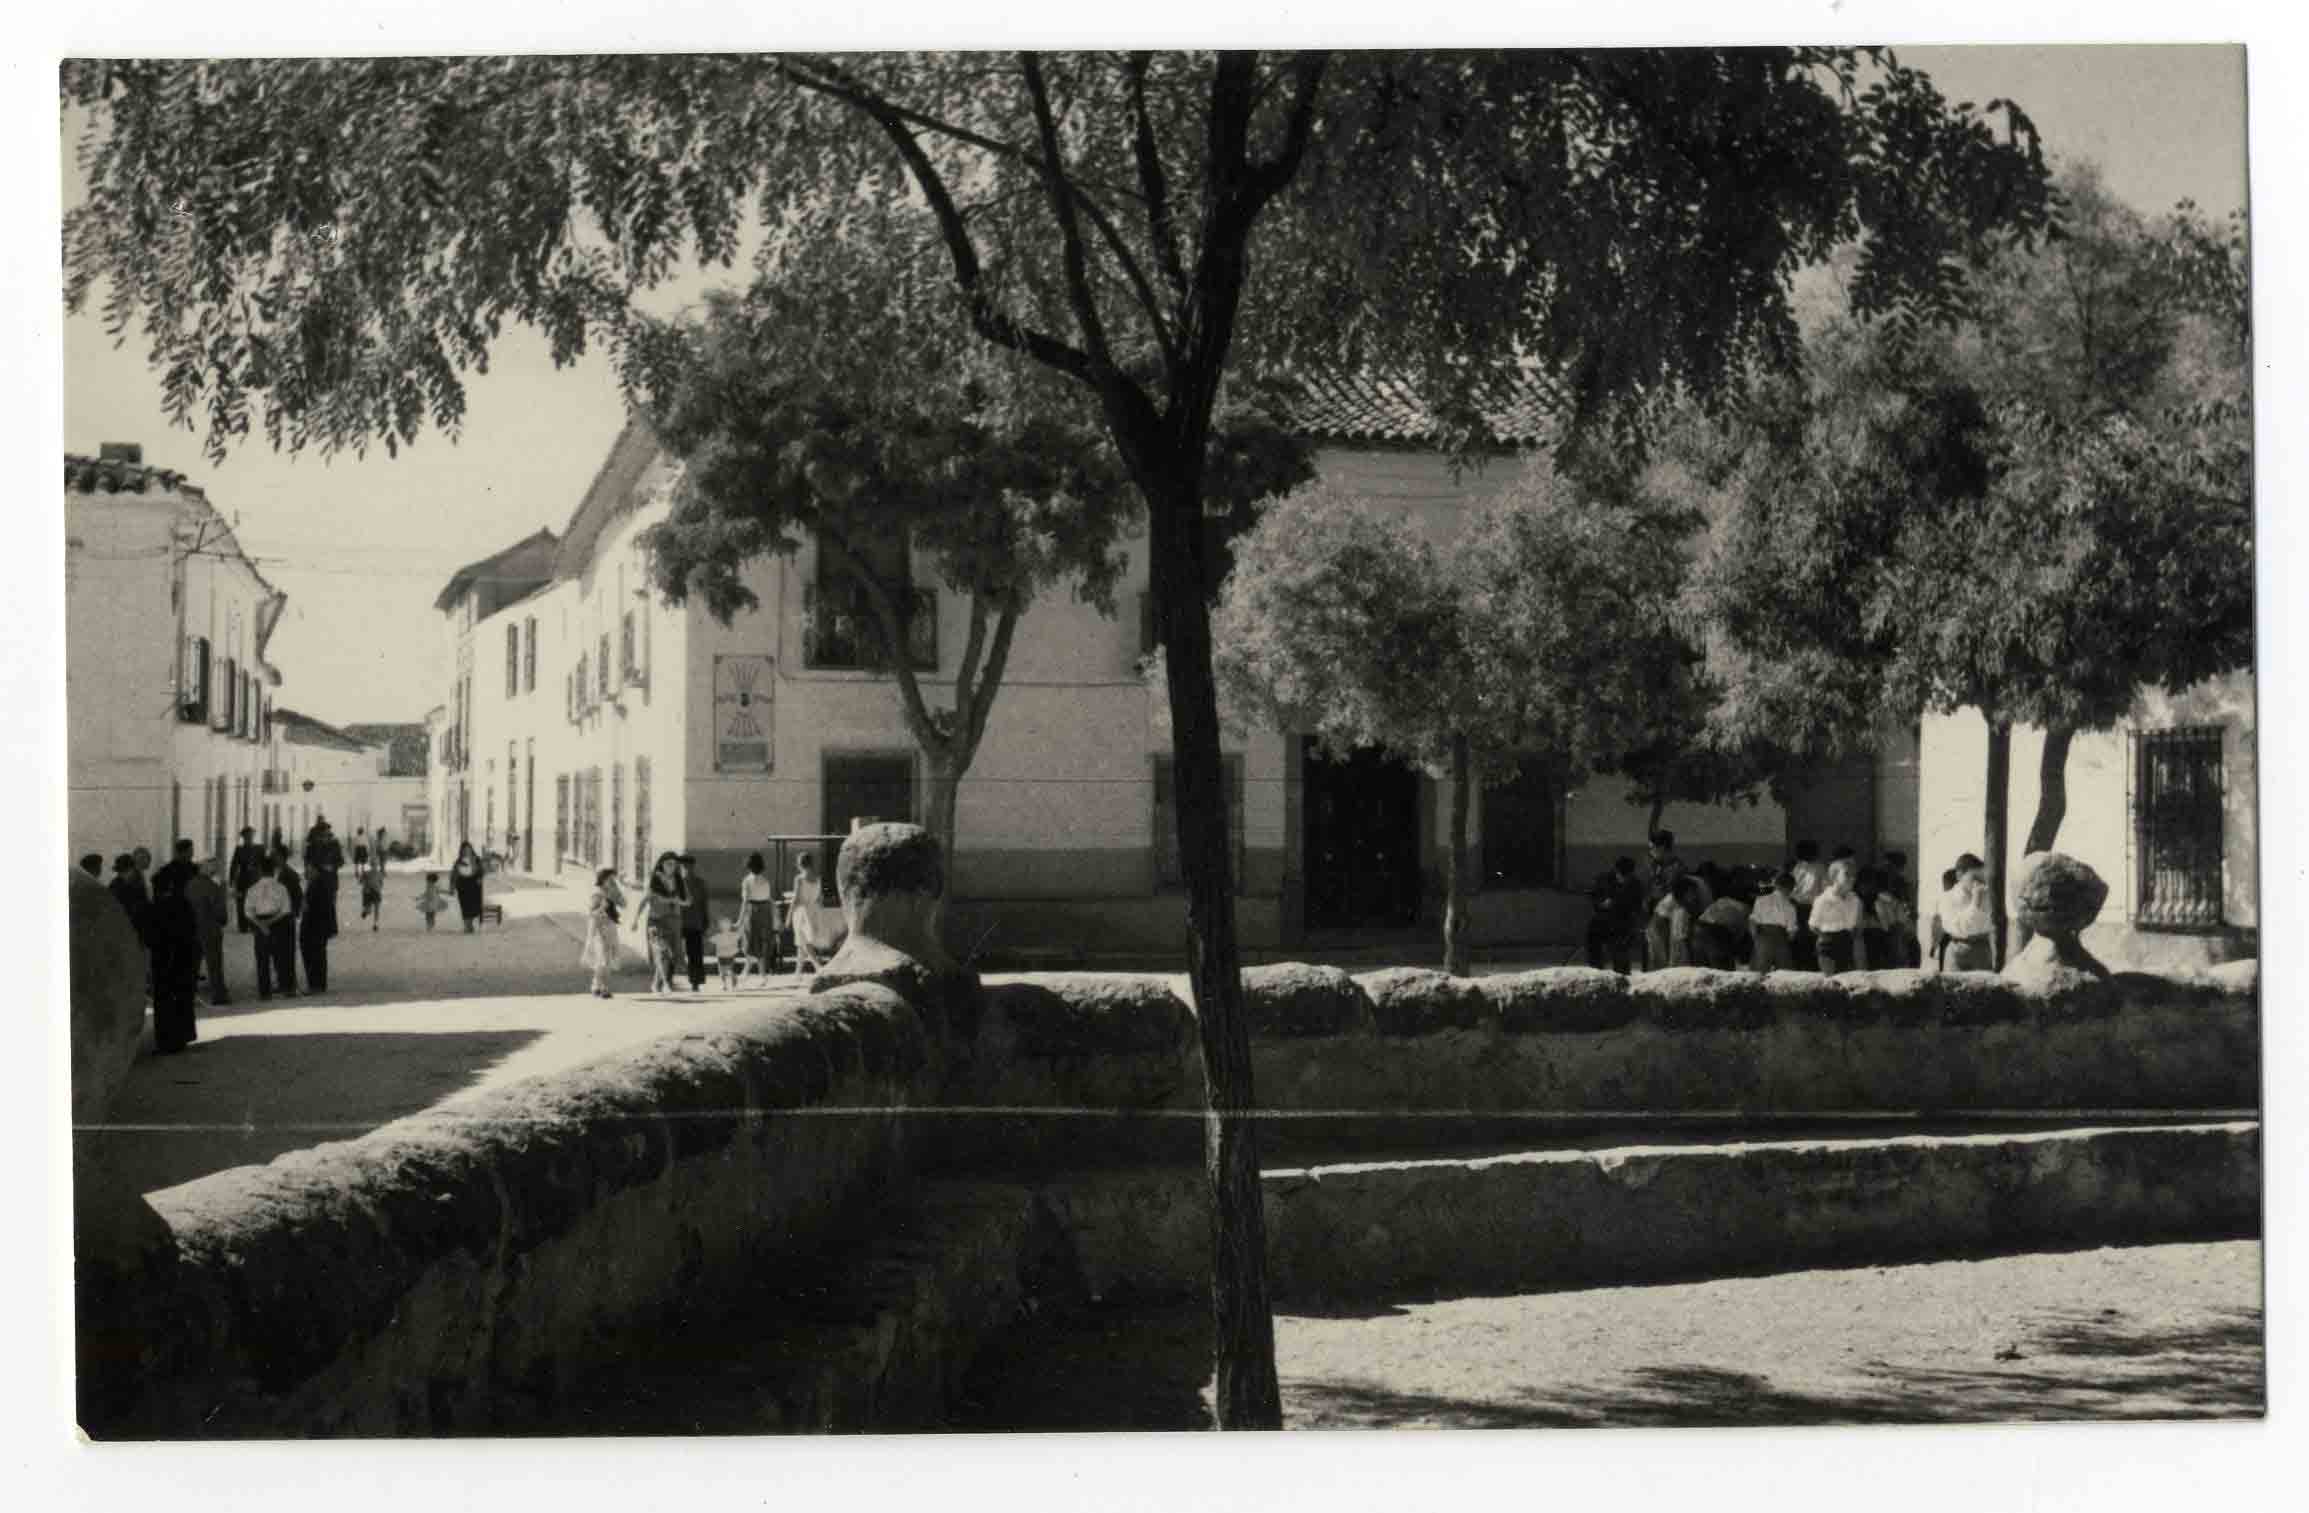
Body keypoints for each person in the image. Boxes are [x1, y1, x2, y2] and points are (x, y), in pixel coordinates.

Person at [146, 840, 204, 1053]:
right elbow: (192, 930)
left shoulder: (154, 908)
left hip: (163, 960)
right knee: (182, 995)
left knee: (164, 1000)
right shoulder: (183, 906)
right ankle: (182, 1036)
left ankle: (165, 1040)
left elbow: (150, 936)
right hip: (182, 955)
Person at [243, 853, 299, 999]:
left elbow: (248, 913)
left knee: (262, 959)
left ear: (259, 871)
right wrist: (271, 921)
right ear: (274, 870)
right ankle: (286, 988)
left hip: (259, 924)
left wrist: (261, 924)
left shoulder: (252, 889)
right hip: (278, 923)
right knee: (281, 956)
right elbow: (286, 909)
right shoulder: (281, 888)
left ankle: (265, 992)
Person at [633, 851, 689, 993]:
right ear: (662, 864)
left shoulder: (679, 881)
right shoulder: (654, 880)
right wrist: (635, 919)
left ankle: (656, 982)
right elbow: (645, 900)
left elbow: (688, 901)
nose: (672, 867)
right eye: (669, 864)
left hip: (674, 921)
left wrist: (676, 901)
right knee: (661, 952)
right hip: (656, 921)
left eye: (674, 865)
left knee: (670, 955)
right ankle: (664, 983)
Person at [1936, 854, 1997, 972]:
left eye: (1982, 878)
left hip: (1982, 950)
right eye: (1975, 878)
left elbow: (1988, 924)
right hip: (1957, 951)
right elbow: (1961, 928)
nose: (1979, 883)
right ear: (1959, 876)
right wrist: (1975, 903)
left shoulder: (1985, 896)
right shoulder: (1948, 898)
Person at [1584, 856, 1645, 974]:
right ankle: (1596, 974)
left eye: (1626, 876)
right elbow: (1593, 896)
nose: (1623, 878)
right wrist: (1602, 903)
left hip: (1622, 925)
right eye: (1621, 875)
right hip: (1601, 922)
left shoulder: (1635, 884)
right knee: (1594, 952)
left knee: (1621, 957)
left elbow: (1637, 907)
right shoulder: (1603, 880)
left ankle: (1622, 978)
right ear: (1616, 871)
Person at [184, 855, 231, 1006]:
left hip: (192, 930)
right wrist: (223, 920)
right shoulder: (214, 886)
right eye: (213, 865)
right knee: (215, 964)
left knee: (192, 964)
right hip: (211, 930)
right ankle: (219, 996)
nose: (216, 868)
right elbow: (220, 912)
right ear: (205, 867)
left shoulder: (189, 885)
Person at [1809, 857, 1864, 975]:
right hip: (1827, 944)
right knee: (1831, 982)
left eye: (1854, 875)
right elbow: (1813, 925)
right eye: (1847, 874)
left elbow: (1857, 925)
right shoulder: (1823, 900)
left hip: (1847, 942)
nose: (1852, 878)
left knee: (1847, 981)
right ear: (1834, 877)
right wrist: (1827, 937)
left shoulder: (1855, 900)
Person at [1641, 829, 1686, 971]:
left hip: (1669, 920)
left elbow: (1669, 892)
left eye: (1652, 848)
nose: (1651, 852)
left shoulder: (1676, 868)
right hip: (1654, 916)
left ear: (1661, 848)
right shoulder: (1655, 866)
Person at [580, 867, 624, 998]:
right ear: (603, 879)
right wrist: (602, 907)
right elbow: (591, 913)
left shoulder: (612, 891)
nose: (612, 881)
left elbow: (624, 904)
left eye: (613, 879)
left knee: (606, 959)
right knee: (603, 959)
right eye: (610, 879)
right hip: (599, 929)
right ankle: (603, 987)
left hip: (610, 928)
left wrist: (618, 892)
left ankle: (596, 984)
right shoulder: (597, 893)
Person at [1749, 869, 1801, 973]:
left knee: (1758, 974)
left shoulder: (1760, 900)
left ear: (1775, 885)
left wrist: (1756, 939)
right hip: (1780, 939)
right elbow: (1791, 933)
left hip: (1762, 938)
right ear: (1790, 889)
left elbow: (1752, 922)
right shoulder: (1790, 906)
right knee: (1784, 975)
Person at [738, 852, 777, 982]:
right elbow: (769, 899)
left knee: (750, 943)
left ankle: (756, 974)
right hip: (765, 913)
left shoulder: (747, 881)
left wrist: (740, 920)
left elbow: (745, 901)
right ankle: (754, 973)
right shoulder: (765, 880)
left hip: (752, 911)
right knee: (760, 944)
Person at [789, 851, 829, 974]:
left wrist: (788, 916)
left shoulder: (799, 879)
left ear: (800, 864)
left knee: (803, 941)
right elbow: (820, 898)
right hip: (814, 910)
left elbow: (796, 899)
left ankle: (818, 966)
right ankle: (797, 973)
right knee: (801, 942)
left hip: (802, 911)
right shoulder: (818, 879)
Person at [1692, 888, 1752, 970]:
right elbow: (1739, 933)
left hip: (1702, 927)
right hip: (1714, 929)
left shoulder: (1724, 901)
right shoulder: (1744, 910)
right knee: (1720, 967)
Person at [678, 854, 711, 991]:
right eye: (684, 866)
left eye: (689, 866)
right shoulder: (678, 883)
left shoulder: (700, 883)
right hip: (679, 921)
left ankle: (695, 981)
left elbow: (704, 903)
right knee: (673, 951)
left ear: (693, 867)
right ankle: (666, 979)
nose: (687, 869)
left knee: (695, 952)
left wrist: (705, 920)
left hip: (695, 922)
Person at [107, 853, 151, 952]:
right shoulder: (115, 886)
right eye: (122, 872)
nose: (126, 874)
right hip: (123, 931)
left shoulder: (137, 884)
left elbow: (144, 906)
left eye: (126, 871)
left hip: (136, 930)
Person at [228, 826, 266, 933]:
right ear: (243, 837)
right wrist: (231, 880)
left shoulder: (259, 848)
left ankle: (254, 925)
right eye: (246, 836)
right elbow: (234, 865)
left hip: (256, 879)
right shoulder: (239, 850)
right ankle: (243, 925)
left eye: (250, 836)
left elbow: (265, 864)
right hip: (243, 880)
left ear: (253, 836)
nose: (248, 838)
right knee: (241, 903)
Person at [451, 841, 486, 932]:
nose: (466, 851)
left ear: (471, 849)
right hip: (462, 885)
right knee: (465, 906)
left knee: (474, 906)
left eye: (468, 849)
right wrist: (452, 886)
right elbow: (454, 875)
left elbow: (482, 871)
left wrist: (480, 878)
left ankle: (471, 924)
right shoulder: (458, 861)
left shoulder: (476, 859)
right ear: (461, 851)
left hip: (474, 885)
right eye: (464, 850)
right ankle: (468, 926)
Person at [711, 915, 744, 990]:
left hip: (729, 956)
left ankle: (733, 984)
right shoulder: (718, 936)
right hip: (721, 956)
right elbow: (713, 941)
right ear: (720, 927)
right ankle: (724, 984)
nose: (725, 927)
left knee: (731, 971)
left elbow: (739, 935)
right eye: (723, 925)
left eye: (727, 925)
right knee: (722, 972)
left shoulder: (733, 935)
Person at [358, 843, 387, 929]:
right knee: (374, 909)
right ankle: (372, 918)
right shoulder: (376, 873)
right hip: (372, 891)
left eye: (375, 864)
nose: (375, 866)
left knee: (374, 908)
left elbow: (361, 881)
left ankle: (375, 923)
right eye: (374, 864)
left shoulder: (372, 873)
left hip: (370, 891)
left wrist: (363, 881)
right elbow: (381, 883)